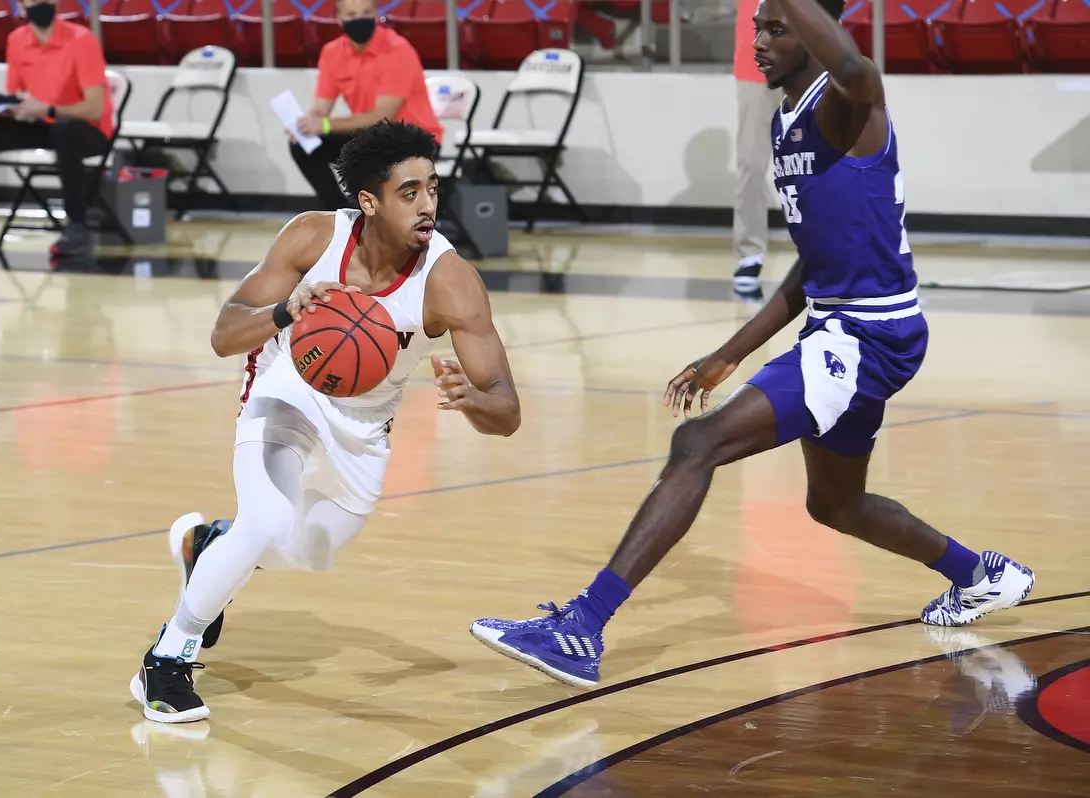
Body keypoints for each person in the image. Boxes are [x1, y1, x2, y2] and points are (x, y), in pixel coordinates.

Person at [468, 0, 1036, 689]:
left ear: (814, 33)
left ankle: (581, 628)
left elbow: (856, 65)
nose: (758, 42)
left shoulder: (846, 104)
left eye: (776, 28)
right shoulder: (784, 122)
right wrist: (731, 351)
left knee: (697, 444)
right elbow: (812, 264)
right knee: (835, 505)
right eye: (756, 28)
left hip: (870, 333)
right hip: (840, 324)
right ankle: (981, 575)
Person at [129, 121, 521, 723]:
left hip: (365, 426)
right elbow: (223, 335)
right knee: (265, 519)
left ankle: (208, 545)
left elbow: (507, 412)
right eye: (409, 192)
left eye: (433, 189)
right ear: (369, 202)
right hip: (287, 388)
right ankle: (168, 656)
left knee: (311, 553)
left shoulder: (449, 280)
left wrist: (472, 398)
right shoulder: (313, 237)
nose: (428, 205)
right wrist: (287, 310)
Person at [0, 0, 113, 258]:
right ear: (20, 6)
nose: (40, 3)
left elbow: (95, 108)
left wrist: (48, 109)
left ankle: (77, 225)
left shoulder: (82, 40)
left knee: (64, 130)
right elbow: (15, 95)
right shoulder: (16, 40)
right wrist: (0, 110)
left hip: (87, 130)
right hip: (41, 124)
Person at [288, 0, 443, 211]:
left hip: (413, 137)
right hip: (371, 136)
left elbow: (382, 116)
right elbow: (320, 108)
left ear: (376, 14)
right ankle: (339, 214)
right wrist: (305, 124)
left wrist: (323, 125)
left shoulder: (397, 50)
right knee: (303, 144)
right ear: (339, 18)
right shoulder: (332, 52)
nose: (359, 19)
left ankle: (377, 221)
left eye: (366, 13)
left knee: (371, 158)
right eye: (352, 14)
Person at [732, 0, 783, 302]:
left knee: (821, 163)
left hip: (807, 63)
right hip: (755, 68)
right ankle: (749, 255)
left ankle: (829, 248)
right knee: (751, 163)